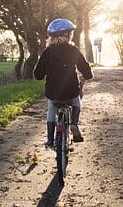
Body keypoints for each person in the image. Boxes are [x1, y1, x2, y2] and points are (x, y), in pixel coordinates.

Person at [34, 18, 93, 147]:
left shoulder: (47, 52)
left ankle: (50, 139)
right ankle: (74, 124)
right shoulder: (73, 50)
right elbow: (86, 70)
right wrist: (87, 76)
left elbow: (37, 75)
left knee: (51, 108)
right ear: (67, 34)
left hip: (53, 93)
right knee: (77, 102)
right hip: (71, 92)